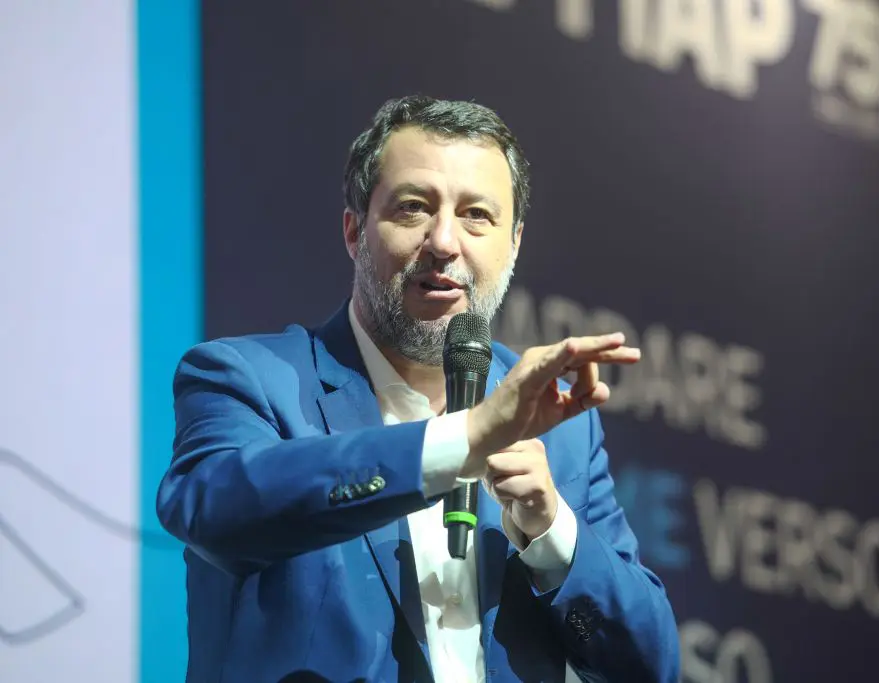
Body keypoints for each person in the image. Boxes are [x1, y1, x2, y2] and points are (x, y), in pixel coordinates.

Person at [156, 95, 680, 683]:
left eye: (477, 215)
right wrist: (461, 440)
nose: (445, 242)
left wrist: (552, 530)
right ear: (354, 231)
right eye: (412, 208)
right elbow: (211, 513)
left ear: (514, 244)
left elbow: (649, 665)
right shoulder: (246, 377)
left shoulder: (561, 430)